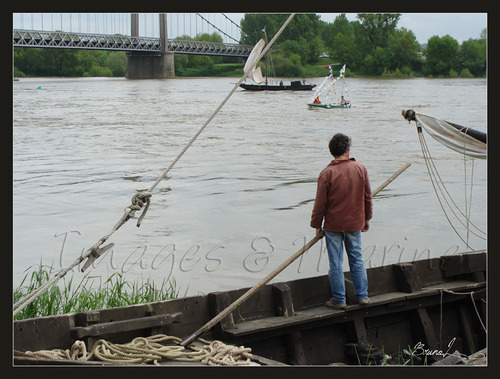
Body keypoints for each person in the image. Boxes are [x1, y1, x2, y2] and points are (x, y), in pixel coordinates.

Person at [310, 133, 372, 310]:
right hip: (354, 223)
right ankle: (362, 296)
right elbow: (367, 197)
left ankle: (339, 299)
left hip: (334, 225)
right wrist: (366, 219)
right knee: (357, 259)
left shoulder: (327, 173)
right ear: (347, 150)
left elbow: (320, 203)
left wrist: (316, 225)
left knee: (335, 263)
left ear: (332, 152)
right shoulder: (360, 168)